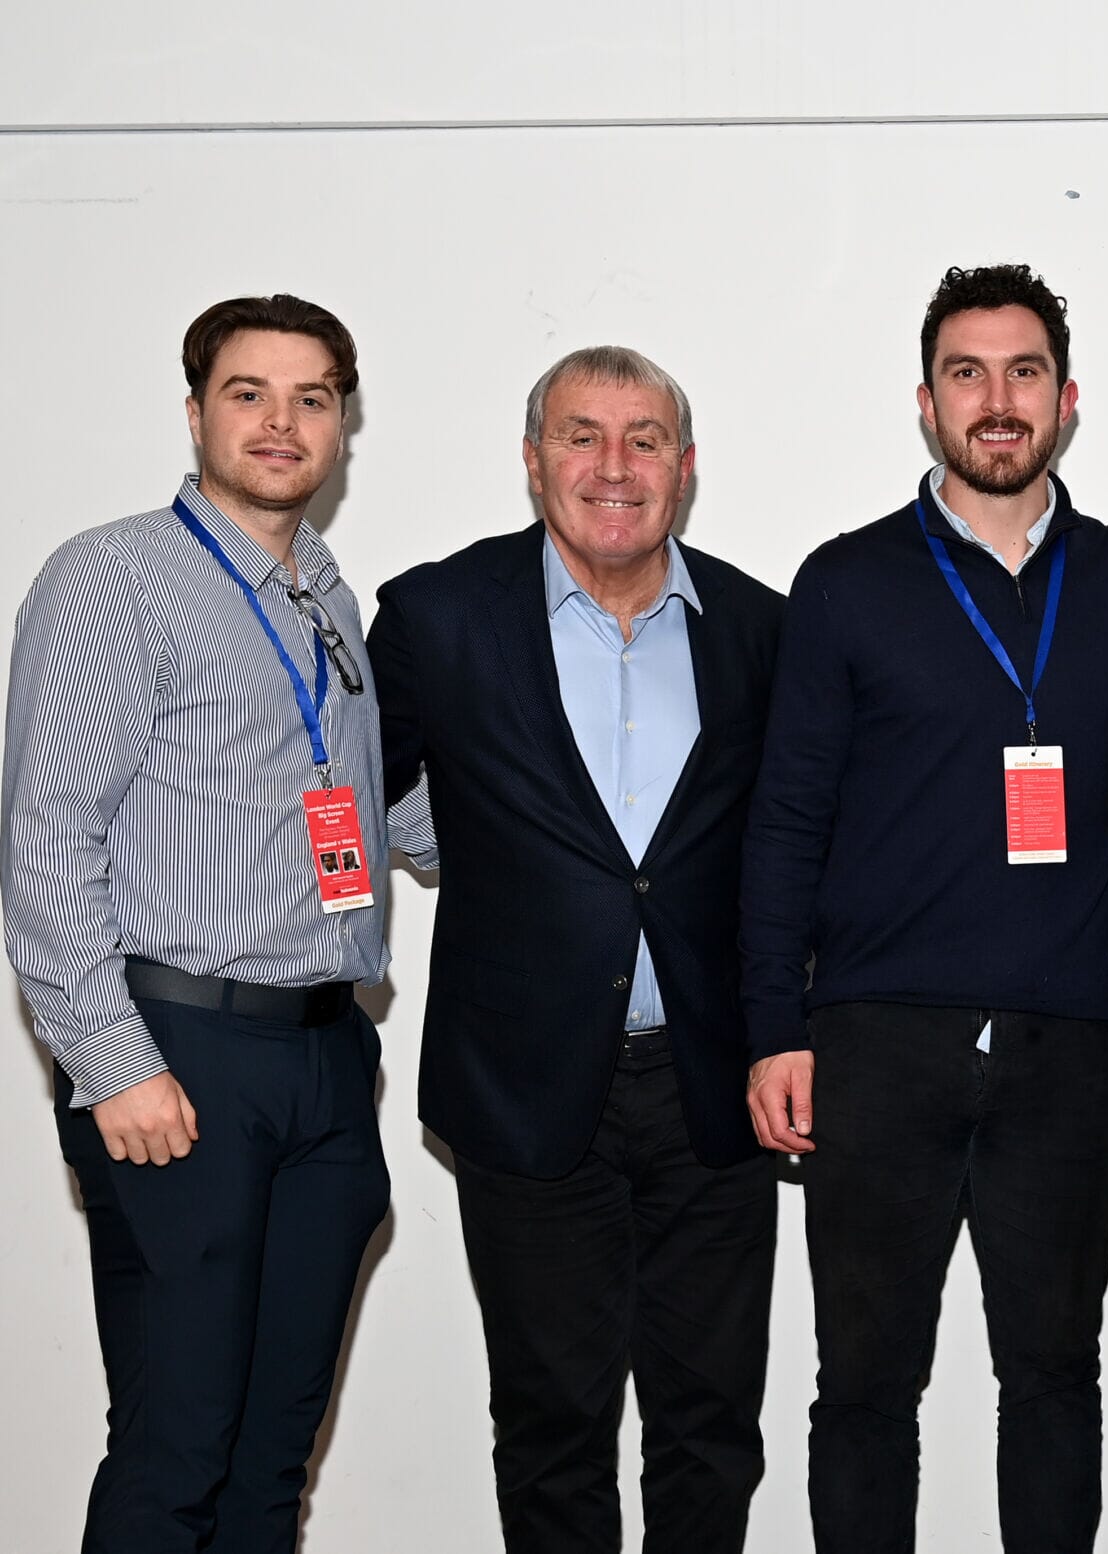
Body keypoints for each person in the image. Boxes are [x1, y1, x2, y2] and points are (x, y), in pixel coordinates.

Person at [739, 264, 1108, 1553]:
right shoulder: (846, 581)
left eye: (1023, 372)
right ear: (925, 403)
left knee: (1056, 1380)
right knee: (865, 1390)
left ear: (1066, 399)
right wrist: (774, 1028)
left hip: (1072, 1049)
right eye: (967, 374)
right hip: (879, 1046)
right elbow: (786, 823)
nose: (997, 400)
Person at [367, 346, 785, 1554]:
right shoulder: (439, 616)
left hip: (716, 1088)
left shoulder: (761, 628)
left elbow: (797, 843)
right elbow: (339, 798)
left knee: (711, 1426)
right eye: (581, 435)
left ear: (684, 468)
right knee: (553, 1430)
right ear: (533, 459)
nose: (614, 465)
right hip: (525, 1088)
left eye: (644, 439)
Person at [2, 294, 391, 1550]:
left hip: (327, 1060)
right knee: (177, 1452)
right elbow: (46, 837)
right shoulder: (114, 577)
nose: (281, 422)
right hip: (181, 1060)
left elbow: (370, 805)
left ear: (341, 424)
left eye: (311, 398)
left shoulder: (327, 599)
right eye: (247, 393)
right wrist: (113, 1062)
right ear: (195, 413)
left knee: (272, 1464)